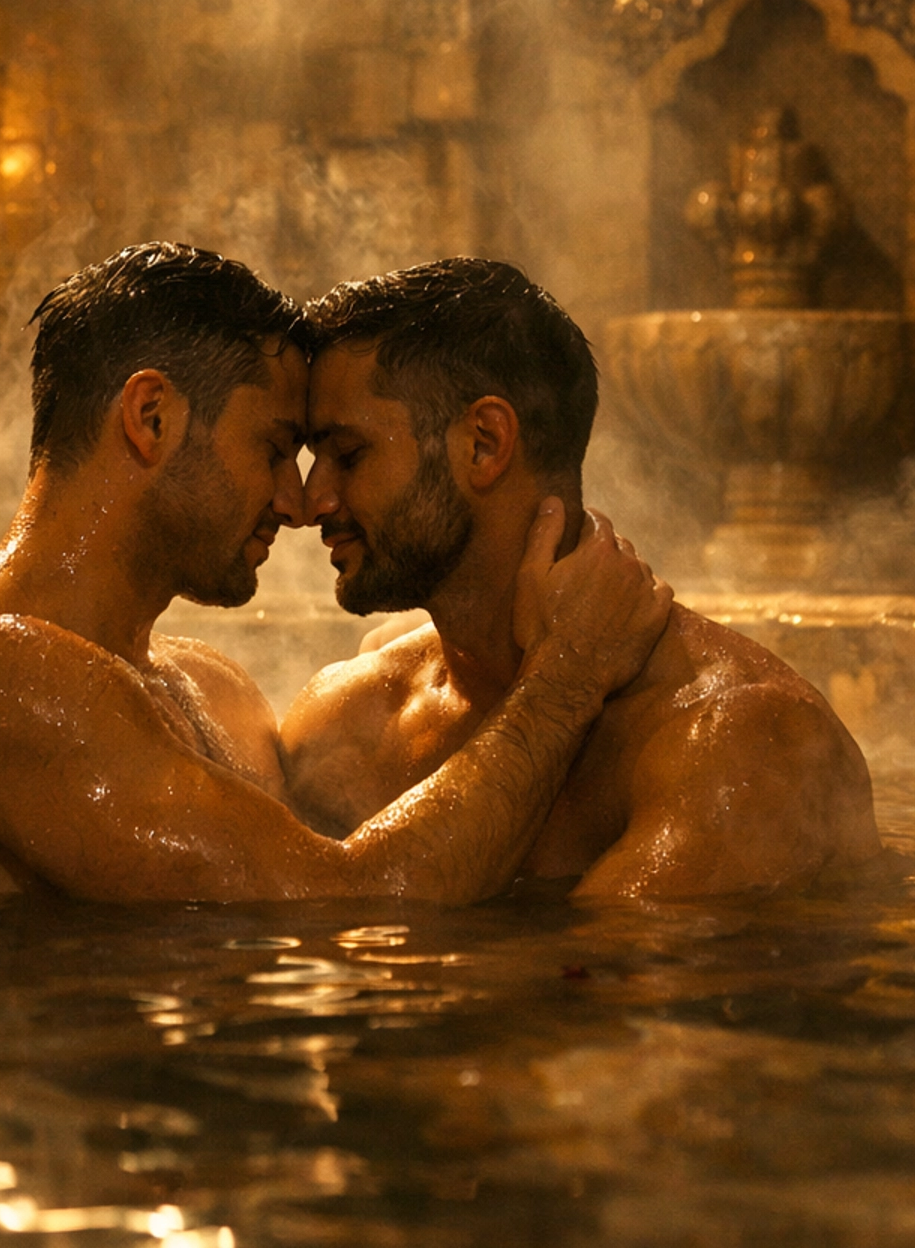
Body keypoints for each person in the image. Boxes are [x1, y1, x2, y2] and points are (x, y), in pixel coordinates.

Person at [0, 243, 673, 905]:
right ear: (151, 417)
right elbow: (350, 908)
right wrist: (563, 684)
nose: (296, 503)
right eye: (274, 450)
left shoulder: (206, 688)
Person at [284, 257, 881, 897]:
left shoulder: (747, 743)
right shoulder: (346, 724)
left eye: (347, 455)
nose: (310, 501)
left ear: (483, 444)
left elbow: (599, 985)